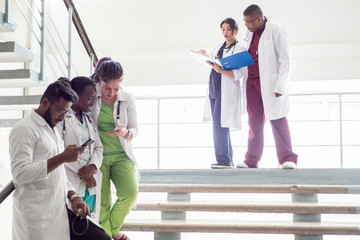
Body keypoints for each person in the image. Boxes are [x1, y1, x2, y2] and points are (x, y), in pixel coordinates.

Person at [9, 80, 89, 240]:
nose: (62, 117)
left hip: (57, 216)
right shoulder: (24, 129)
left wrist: (74, 196)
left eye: (66, 113)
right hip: (34, 220)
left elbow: (58, 173)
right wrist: (62, 157)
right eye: (60, 110)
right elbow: (20, 173)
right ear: (45, 102)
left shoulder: (52, 130)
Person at [236, 4, 298, 169]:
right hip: (252, 82)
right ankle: (251, 160)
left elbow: (286, 60)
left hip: (271, 85)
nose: (246, 25)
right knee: (254, 122)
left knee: (278, 119)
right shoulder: (249, 34)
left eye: (249, 22)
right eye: (244, 22)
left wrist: (281, 86)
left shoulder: (276, 30)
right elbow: (250, 55)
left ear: (259, 19)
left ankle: (287, 158)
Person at [55, 76, 111, 240]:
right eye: (89, 98)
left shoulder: (89, 121)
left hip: (91, 183)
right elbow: (59, 151)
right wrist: (83, 172)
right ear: (76, 95)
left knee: (89, 223)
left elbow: (99, 147)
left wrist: (92, 168)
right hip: (71, 179)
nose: (92, 103)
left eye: (94, 99)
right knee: (74, 227)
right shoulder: (62, 118)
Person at [90, 57, 138, 240]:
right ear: (100, 80)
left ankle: (113, 227)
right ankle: (110, 236)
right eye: (107, 88)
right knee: (102, 201)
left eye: (116, 88)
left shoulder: (128, 98)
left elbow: (135, 128)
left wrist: (126, 132)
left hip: (121, 155)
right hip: (98, 156)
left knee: (130, 194)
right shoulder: (91, 95)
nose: (111, 92)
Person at [200, 18, 247, 169]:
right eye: (223, 29)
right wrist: (203, 55)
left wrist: (221, 70)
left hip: (226, 90)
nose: (225, 32)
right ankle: (226, 159)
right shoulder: (218, 47)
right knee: (217, 124)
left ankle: (224, 160)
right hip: (215, 87)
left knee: (221, 124)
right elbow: (209, 60)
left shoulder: (240, 50)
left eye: (228, 29)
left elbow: (239, 74)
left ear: (236, 30)